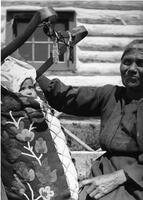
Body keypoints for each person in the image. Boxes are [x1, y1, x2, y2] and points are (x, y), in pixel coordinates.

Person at [36, 39, 143, 200]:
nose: (131, 69)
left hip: (136, 182)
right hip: (102, 174)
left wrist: (120, 176)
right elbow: (69, 98)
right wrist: (32, 73)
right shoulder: (111, 95)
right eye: (127, 62)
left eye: (140, 63)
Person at [1, 56, 79, 200]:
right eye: (22, 89)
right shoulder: (11, 115)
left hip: (60, 167)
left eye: (31, 87)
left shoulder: (41, 107)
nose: (29, 92)